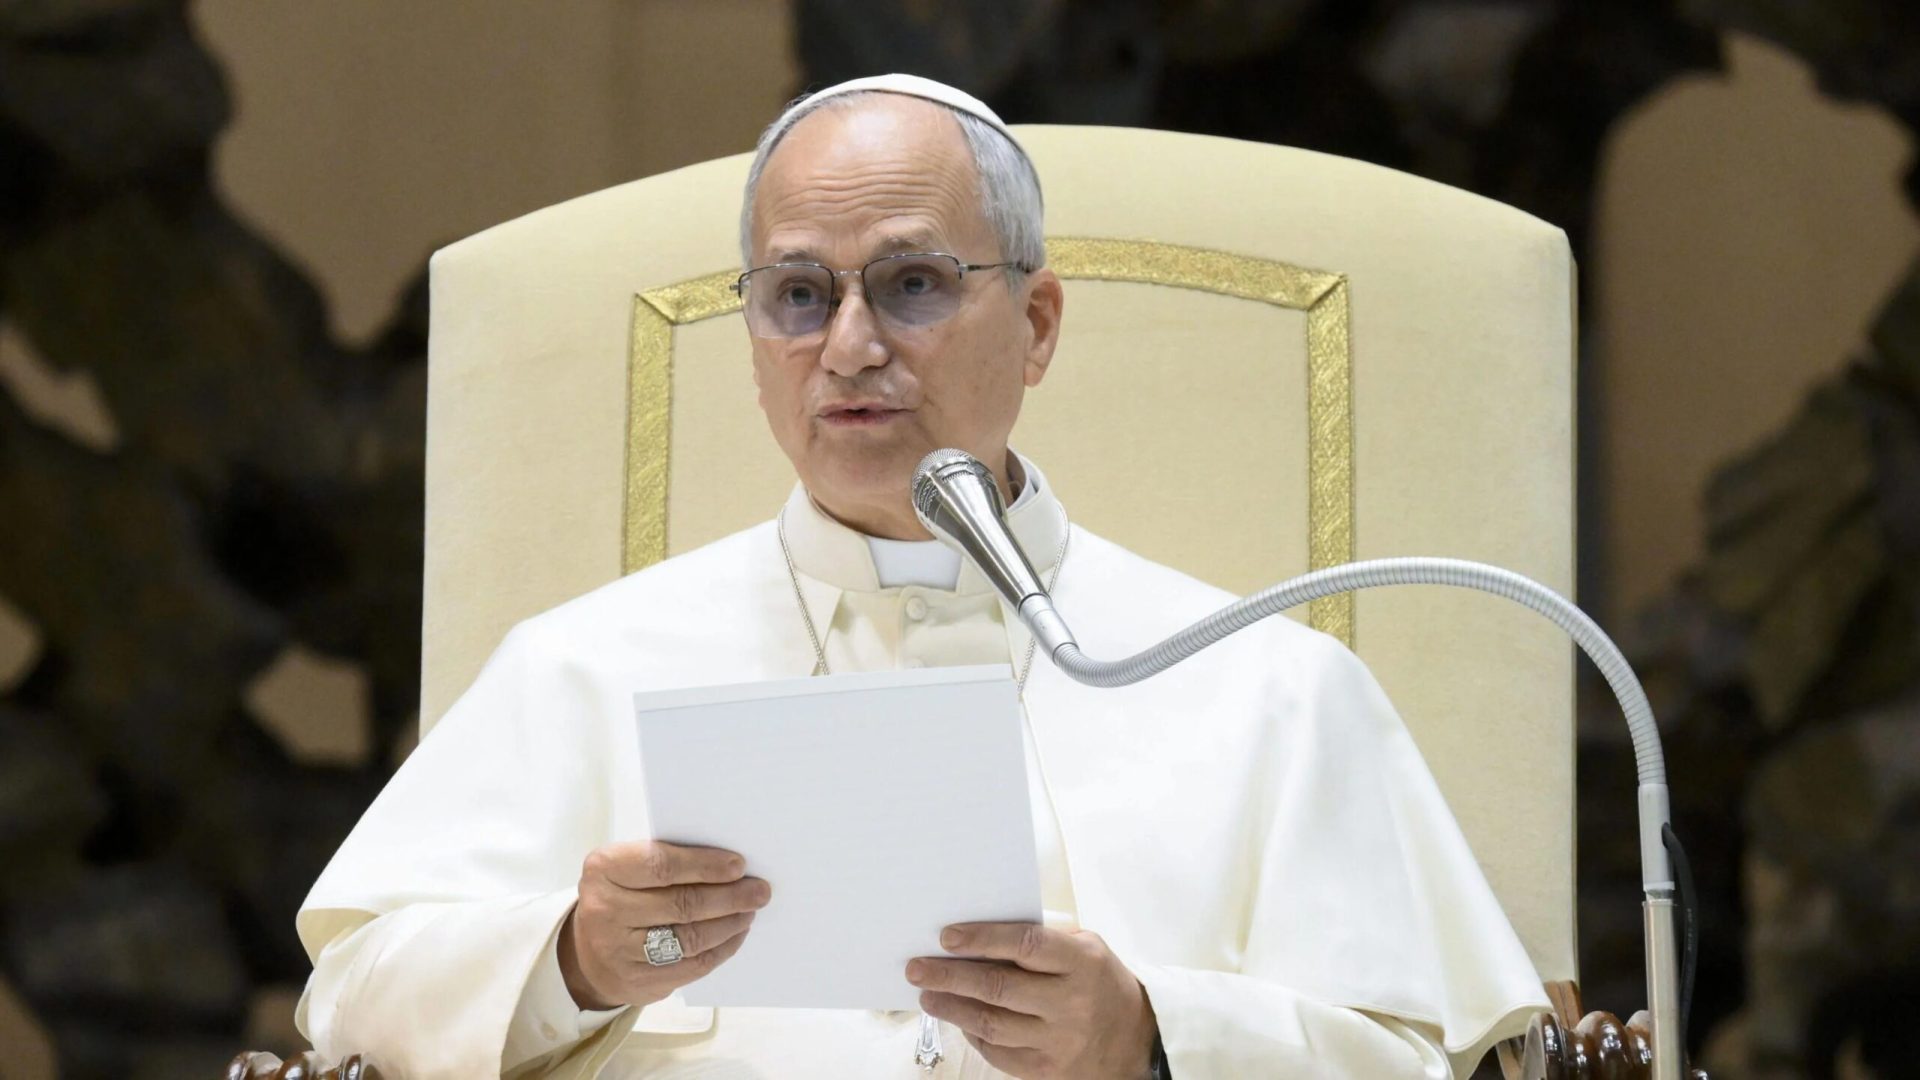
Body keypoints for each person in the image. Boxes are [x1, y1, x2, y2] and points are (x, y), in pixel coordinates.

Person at [295, 74, 1548, 1079]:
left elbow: (1434, 1057)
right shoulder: (582, 667)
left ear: (1040, 323)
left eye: (910, 285)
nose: (849, 348)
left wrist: (1155, 1040)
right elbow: (350, 1006)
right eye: (797, 295)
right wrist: (571, 961)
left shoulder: (1267, 688)